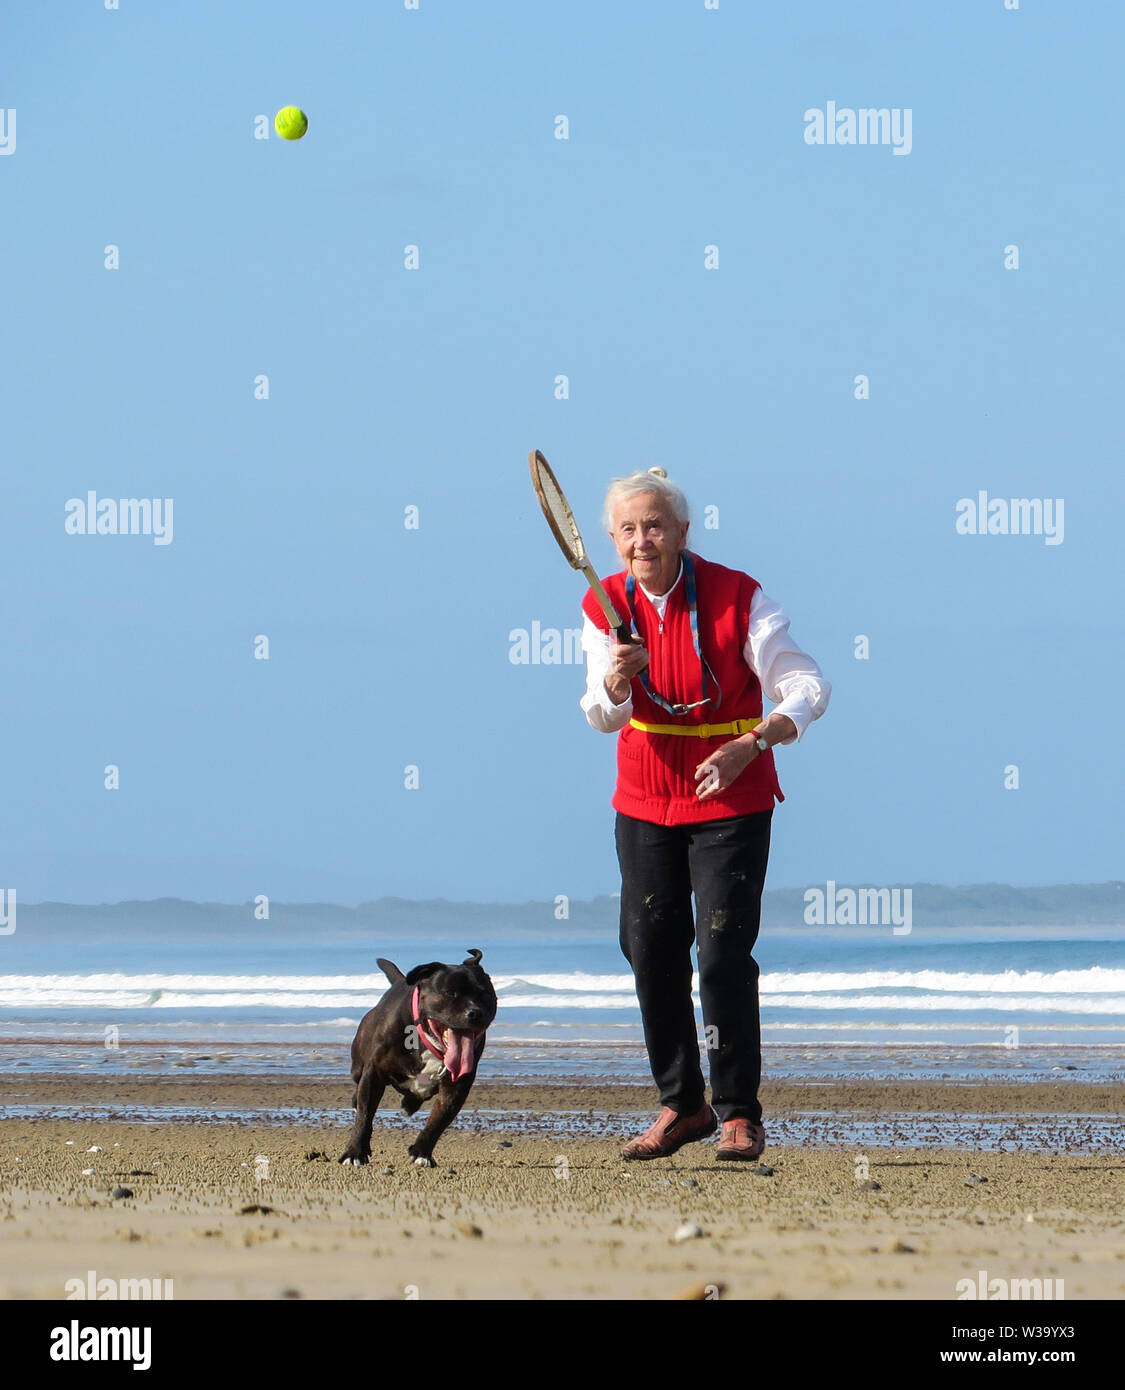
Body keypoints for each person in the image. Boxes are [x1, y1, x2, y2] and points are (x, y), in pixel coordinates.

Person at [579, 467, 830, 1161]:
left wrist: (751, 744)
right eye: (628, 530)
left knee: (720, 954)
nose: (641, 540)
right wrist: (615, 679)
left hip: (731, 796)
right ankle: (681, 1104)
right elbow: (602, 717)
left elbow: (807, 685)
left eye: (654, 526)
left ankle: (738, 1114)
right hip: (644, 796)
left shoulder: (739, 596)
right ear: (611, 539)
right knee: (649, 949)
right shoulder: (602, 606)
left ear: (683, 532)